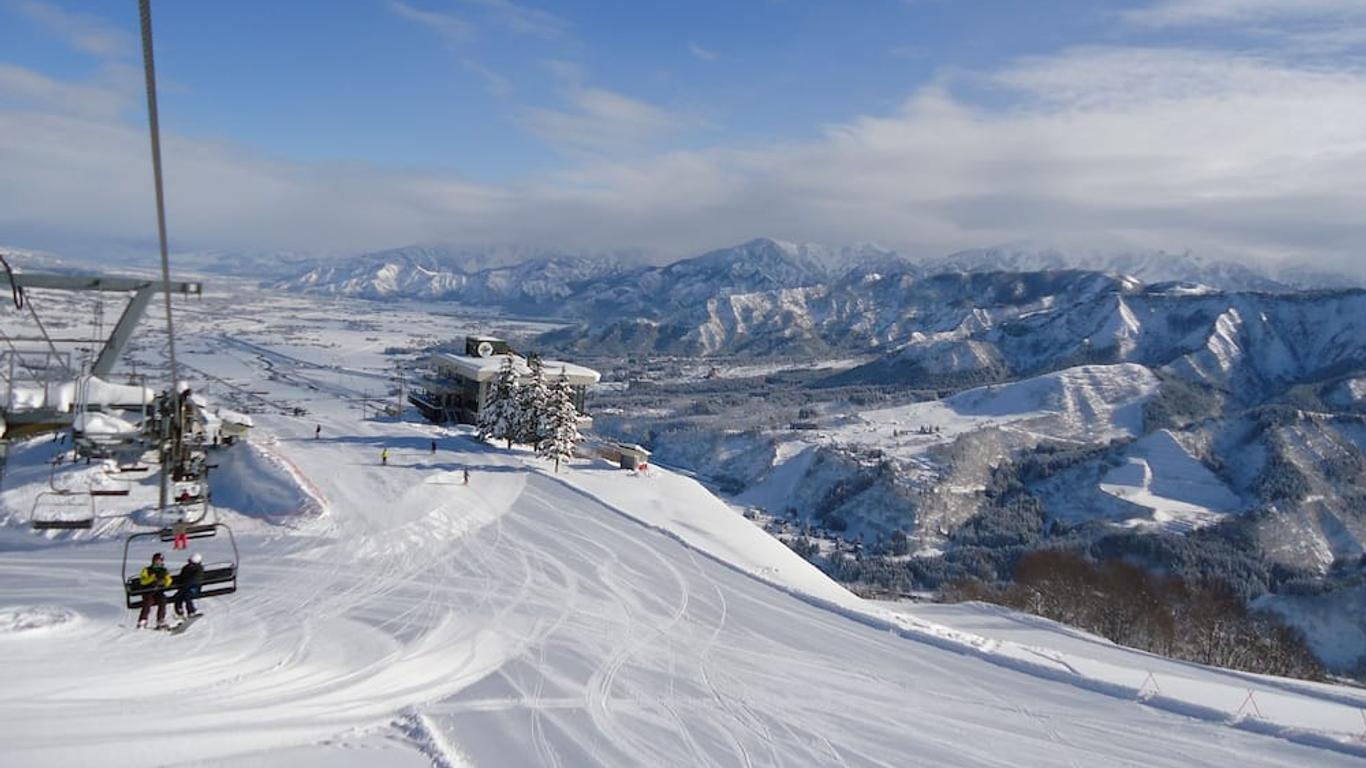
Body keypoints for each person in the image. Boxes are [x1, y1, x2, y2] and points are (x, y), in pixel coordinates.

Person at [136, 553, 174, 629]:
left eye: (160, 561)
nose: (158, 562)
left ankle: (161, 620)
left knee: (163, 599)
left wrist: (164, 582)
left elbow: (168, 580)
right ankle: (143, 620)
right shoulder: (147, 570)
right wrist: (152, 578)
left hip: (158, 592)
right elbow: (143, 581)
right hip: (148, 591)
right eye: (157, 560)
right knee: (148, 601)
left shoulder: (164, 570)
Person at [174, 552, 204, 620]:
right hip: (185, 588)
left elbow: (196, 579)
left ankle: (191, 611)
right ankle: (179, 611)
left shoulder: (199, 569)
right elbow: (181, 578)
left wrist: (186, 585)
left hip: (194, 588)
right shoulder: (185, 568)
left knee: (187, 595)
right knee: (178, 596)